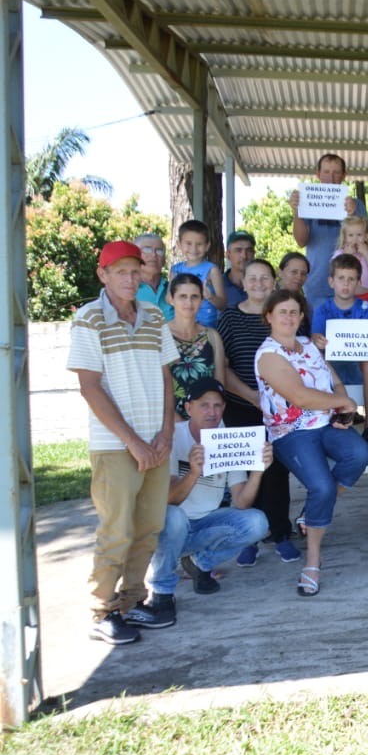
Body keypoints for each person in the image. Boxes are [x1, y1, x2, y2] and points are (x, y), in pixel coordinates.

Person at [68, 241, 179, 645]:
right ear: (103, 275)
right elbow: (90, 388)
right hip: (116, 446)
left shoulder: (152, 314)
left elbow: (167, 378)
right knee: (116, 529)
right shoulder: (88, 319)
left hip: (155, 442)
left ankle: (132, 602)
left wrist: (165, 433)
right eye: (121, 272)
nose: (131, 279)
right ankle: (102, 610)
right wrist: (134, 442)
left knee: (149, 527)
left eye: (136, 271)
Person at [124, 379, 272, 630]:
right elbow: (169, 501)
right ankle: (161, 592)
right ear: (189, 407)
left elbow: (241, 502)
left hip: (204, 523)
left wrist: (258, 470)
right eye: (204, 405)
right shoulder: (171, 439)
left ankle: (199, 563)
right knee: (174, 516)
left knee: (258, 522)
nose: (212, 412)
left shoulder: (230, 440)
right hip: (168, 527)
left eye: (217, 405)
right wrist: (192, 473)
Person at [255, 288, 368, 595]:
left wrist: (343, 408)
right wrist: (342, 402)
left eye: (294, 312)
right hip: (291, 432)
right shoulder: (268, 355)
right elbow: (300, 397)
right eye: (282, 312)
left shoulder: (309, 345)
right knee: (320, 487)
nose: (289, 317)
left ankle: (313, 513)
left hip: (325, 423)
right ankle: (313, 561)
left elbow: (334, 381)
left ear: (302, 316)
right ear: (269, 316)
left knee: (359, 454)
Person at [216, 259, 299, 562]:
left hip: (279, 409)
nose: (259, 284)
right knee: (249, 473)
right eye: (253, 278)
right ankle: (248, 538)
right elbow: (222, 367)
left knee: (276, 471)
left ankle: (280, 533)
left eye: (265, 278)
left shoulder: (281, 316)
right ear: (243, 282)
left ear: (274, 281)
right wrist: (252, 395)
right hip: (242, 406)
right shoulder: (228, 318)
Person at [310, 254, 368, 436]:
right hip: (332, 367)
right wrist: (317, 339)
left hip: (358, 365)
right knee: (315, 355)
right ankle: (325, 419)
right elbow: (314, 339)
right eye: (341, 278)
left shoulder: (367, 309)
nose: (346, 284)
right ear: (331, 281)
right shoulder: (322, 310)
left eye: (351, 279)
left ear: (358, 282)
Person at [289, 153, 362, 304]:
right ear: (318, 174)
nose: (331, 177)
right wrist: (296, 211)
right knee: (317, 328)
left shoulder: (356, 204)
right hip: (316, 286)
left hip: (350, 286)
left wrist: (353, 213)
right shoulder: (306, 201)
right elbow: (301, 241)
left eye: (336, 172)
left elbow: (366, 243)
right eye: (327, 172)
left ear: (344, 175)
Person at [167, 273, 227, 421]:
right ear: (171, 299)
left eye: (194, 296)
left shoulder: (212, 337)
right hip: (169, 423)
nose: (189, 302)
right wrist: (179, 425)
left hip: (207, 422)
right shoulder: (159, 337)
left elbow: (219, 386)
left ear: (201, 300)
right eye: (183, 296)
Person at [171, 219, 226, 326]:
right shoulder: (176, 270)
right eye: (188, 243)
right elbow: (169, 298)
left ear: (207, 246)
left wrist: (210, 297)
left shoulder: (212, 270)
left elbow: (222, 304)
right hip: (183, 326)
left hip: (207, 329)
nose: (194, 249)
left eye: (199, 244)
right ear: (179, 244)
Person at [332, 215, 368, 305]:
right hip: (344, 298)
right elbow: (334, 271)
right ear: (345, 237)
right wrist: (346, 255)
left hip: (366, 296)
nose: (355, 239)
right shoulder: (340, 253)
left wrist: (366, 253)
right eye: (351, 235)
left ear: (366, 236)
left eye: (359, 235)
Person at [135, 232, 173, 321]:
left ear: (164, 260)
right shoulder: (126, 290)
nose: (153, 255)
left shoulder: (173, 289)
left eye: (159, 251)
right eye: (147, 250)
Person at [277, 252, 313, 337]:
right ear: (280, 272)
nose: (299, 277)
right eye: (294, 272)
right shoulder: (268, 302)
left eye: (303, 274)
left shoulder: (307, 306)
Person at [222, 229, 255, 309]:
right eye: (238, 250)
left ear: (254, 254)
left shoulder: (261, 286)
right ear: (228, 255)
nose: (244, 256)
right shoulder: (217, 285)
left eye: (249, 250)